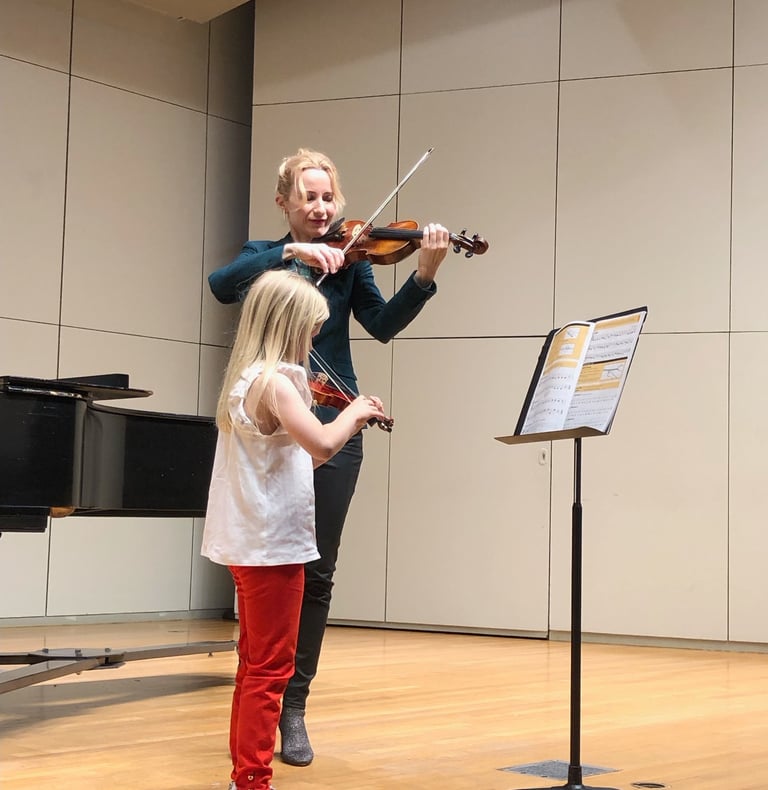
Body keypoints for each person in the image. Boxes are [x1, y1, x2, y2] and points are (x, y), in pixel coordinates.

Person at [208, 148, 450, 766]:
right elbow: (220, 287)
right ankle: (259, 693)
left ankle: (293, 707)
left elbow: (384, 324)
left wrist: (423, 273)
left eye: (328, 198)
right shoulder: (263, 257)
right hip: (274, 410)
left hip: (331, 413)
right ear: (285, 203)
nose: (320, 208)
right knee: (267, 568)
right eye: (308, 198)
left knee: (314, 571)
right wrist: (290, 254)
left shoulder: (352, 260)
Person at [201, 269, 387, 790]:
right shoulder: (278, 384)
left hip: (250, 544)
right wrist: (355, 410)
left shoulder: (247, 379)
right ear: (287, 326)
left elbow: (292, 463)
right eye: (310, 329)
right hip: (272, 549)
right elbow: (326, 446)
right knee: (271, 671)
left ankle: (246, 774)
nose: (313, 340)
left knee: (253, 665)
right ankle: (253, 779)